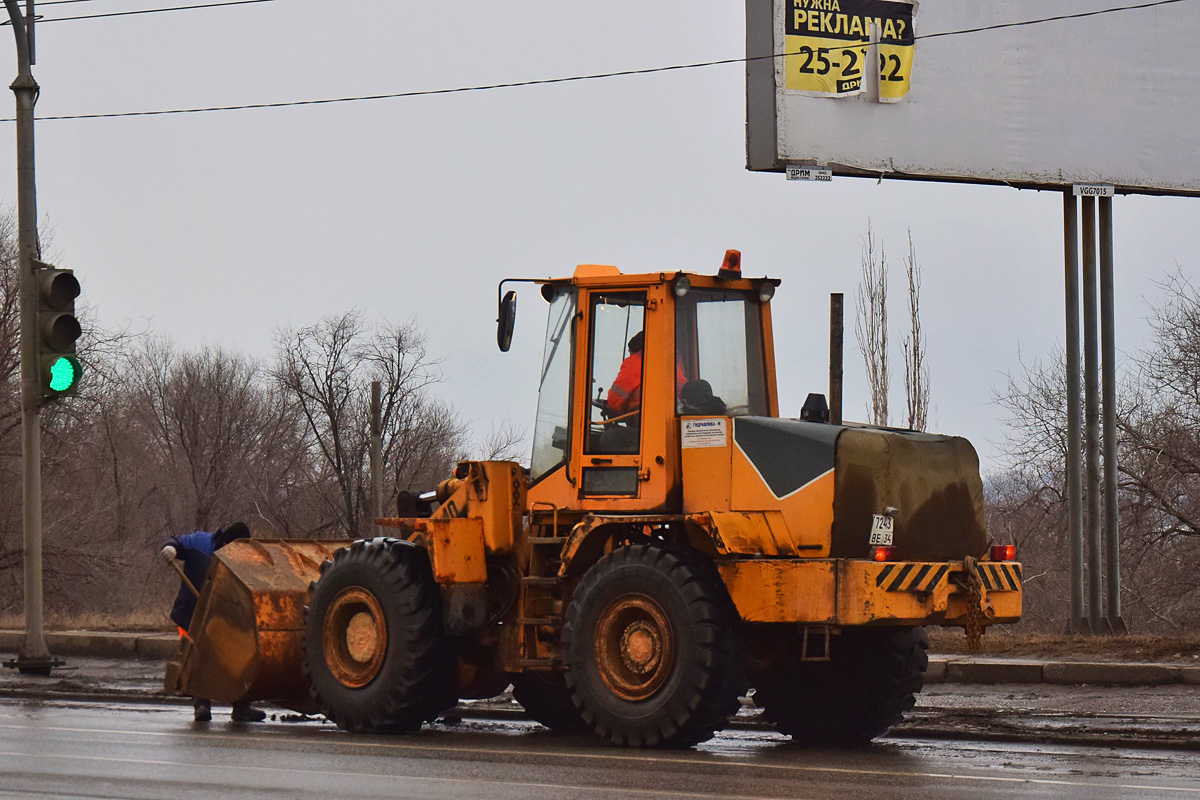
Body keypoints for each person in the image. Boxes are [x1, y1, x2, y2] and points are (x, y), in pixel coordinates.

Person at [160, 522, 266, 723]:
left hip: (223, 617)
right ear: (223, 540)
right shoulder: (201, 542)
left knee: (237, 660)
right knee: (196, 658)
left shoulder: (244, 557)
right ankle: (201, 705)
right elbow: (178, 542)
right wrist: (171, 548)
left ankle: (241, 707)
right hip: (191, 613)